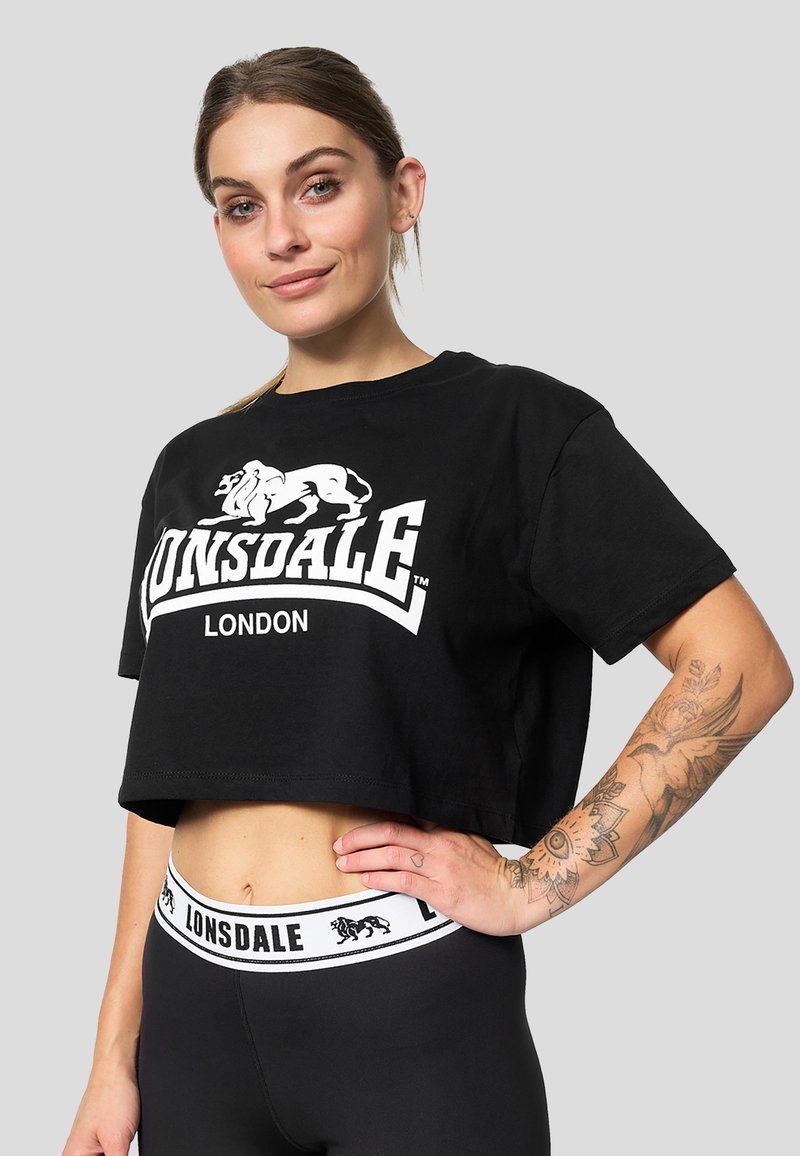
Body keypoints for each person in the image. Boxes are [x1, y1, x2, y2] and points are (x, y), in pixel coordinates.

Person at [62, 45, 793, 1156]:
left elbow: (740, 664)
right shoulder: (191, 465)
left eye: (318, 186)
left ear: (401, 192)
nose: (281, 236)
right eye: (240, 205)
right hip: (194, 1022)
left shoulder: (516, 428)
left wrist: (534, 882)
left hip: (404, 1014)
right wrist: (112, 1056)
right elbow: (160, 787)